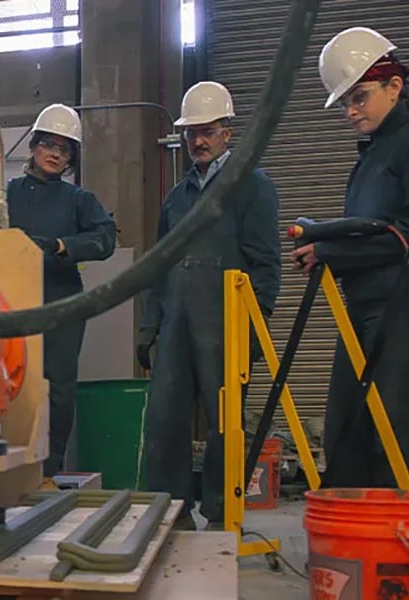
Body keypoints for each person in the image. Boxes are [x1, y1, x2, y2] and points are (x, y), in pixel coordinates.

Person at [291, 27, 409, 488]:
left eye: (360, 97)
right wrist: (326, 250)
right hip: (366, 307)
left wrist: (330, 248)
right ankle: (350, 549)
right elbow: (369, 232)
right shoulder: (371, 157)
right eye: (345, 101)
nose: (351, 111)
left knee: (393, 430)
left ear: (394, 87)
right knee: (346, 430)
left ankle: (397, 551)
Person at [139, 81, 281, 530]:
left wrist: (254, 329)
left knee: (226, 427)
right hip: (178, 324)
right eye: (191, 133)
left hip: (226, 325)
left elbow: (265, 264)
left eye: (207, 131)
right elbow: (159, 266)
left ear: (227, 132)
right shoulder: (177, 198)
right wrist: (149, 326)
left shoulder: (251, 185)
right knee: (165, 420)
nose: (197, 141)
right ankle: (169, 514)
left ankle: (222, 514)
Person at [0, 103, 117, 483]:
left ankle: (48, 473)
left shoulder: (80, 201)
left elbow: (104, 239)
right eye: (49, 144)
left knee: (57, 388)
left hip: (61, 305)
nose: (55, 154)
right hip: (8, 306)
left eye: (65, 149)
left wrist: (61, 246)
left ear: (71, 158)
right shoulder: (5, 195)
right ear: (33, 147)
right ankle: (1, 466)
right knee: (4, 383)